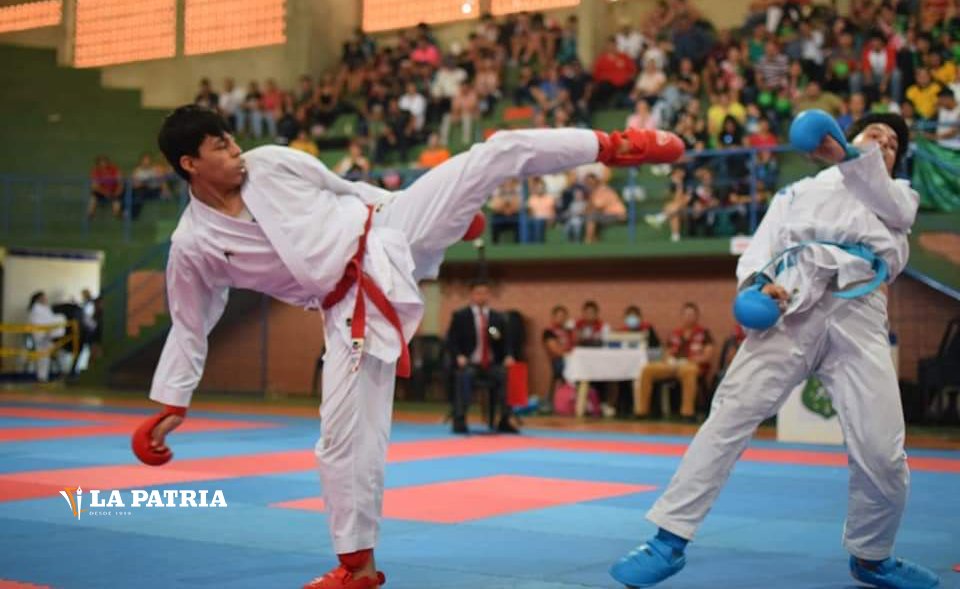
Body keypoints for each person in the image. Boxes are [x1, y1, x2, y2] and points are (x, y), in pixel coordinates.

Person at [137, 105, 683, 589]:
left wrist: (445, 215)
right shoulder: (194, 244)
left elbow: (346, 191)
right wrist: (171, 403)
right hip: (347, 309)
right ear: (190, 164)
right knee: (343, 442)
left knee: (494, 152)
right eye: (221, 147)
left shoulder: (272, 163)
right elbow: (190, 321)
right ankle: (358, 567)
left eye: (232, 139)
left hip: (389, 228)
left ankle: (615, 145)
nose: (236, 151)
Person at [609, 113, 942, 589]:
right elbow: (761, 249)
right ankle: (668, 540)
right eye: (875, 134)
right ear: (848, 134)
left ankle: (873, 557)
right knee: (729, 416)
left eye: (892, 145)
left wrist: (851, 157)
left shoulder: (898, 196)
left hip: (860, 310)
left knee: (883, 450)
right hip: (794, 301)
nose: (883, 144)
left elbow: (890, 204)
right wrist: (759, 285)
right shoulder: (797, 192)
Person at [446, 279, 517, 435]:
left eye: (485, 293)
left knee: (508, 375)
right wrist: (459, 356)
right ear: (472, 294)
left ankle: (505, 419)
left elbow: (506, 342)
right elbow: (451, 341)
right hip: (469, 363)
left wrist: (508, 356)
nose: (481, 296)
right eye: (478, 293)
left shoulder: (497, 318)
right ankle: (460, 419)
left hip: (491, 365)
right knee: (465, 376)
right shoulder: (461, 316)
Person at [27, 291, 65, 382]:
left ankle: (44, 377)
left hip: (48, 336)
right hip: (41, 336)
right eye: (43, 297)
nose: (45, 299)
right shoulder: (36, 309)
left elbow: (49, 319)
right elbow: (39, 322)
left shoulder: (45, 308)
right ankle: (42, 377)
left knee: (47, 357)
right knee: (43, 357)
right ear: (38, 299)